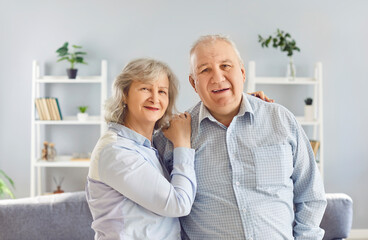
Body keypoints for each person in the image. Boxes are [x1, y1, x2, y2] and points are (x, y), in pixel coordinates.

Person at [154, 35, 327, 239]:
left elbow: (311, 195)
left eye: (226, 66)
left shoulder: (280, 120)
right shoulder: (172, 137)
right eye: (205, 70)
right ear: (194, 83)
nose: (218, 78)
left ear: (242, 73)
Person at [85, 58, 196, 240]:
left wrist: (250, 102)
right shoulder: (115, 150)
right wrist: (182, 144)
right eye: (145, 88)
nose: (155, 98)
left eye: (162, 91)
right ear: (124, 95)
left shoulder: (151, 146)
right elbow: (179, 204)